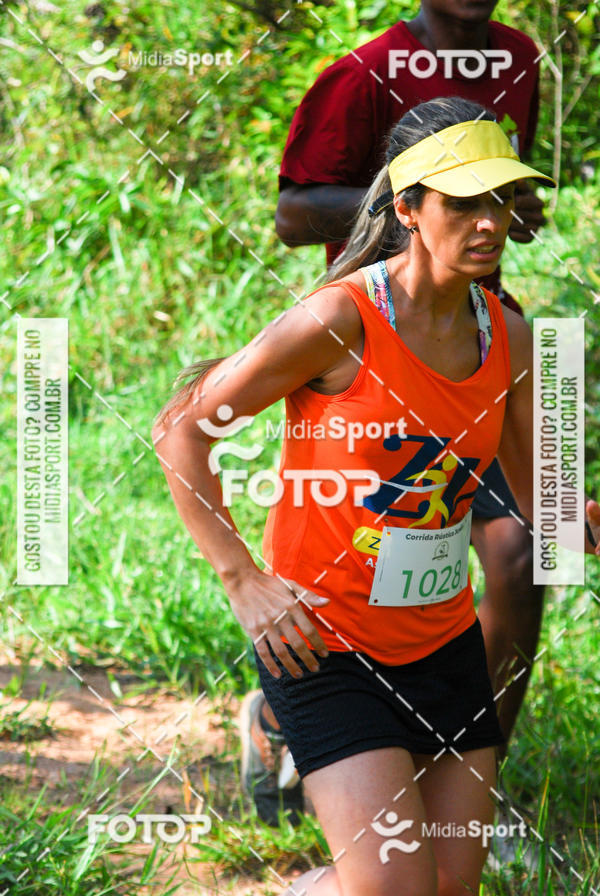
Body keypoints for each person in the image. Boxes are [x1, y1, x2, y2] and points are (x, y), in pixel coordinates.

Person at [153, 97, 600, 895]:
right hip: (325, 647)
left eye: (500, 200)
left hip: (442, 646)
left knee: (447, 890)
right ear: (409, 208)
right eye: (462, 202)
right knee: (394, 890)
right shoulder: (340, 321)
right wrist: (243, 580)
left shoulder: (511, 337)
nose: (489, 222)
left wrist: (582, 520)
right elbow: (181, 429)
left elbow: (551, 512)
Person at [246, 0, 551, 824]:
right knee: (357, 566)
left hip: (473, 349)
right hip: (377, 364)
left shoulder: (521, 57)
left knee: (529, 554)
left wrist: (493, 213)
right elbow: (291, 214)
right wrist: (424, 218)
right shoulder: (360, 74)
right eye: (459, 195)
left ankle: (466, 781)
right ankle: (288, 710)